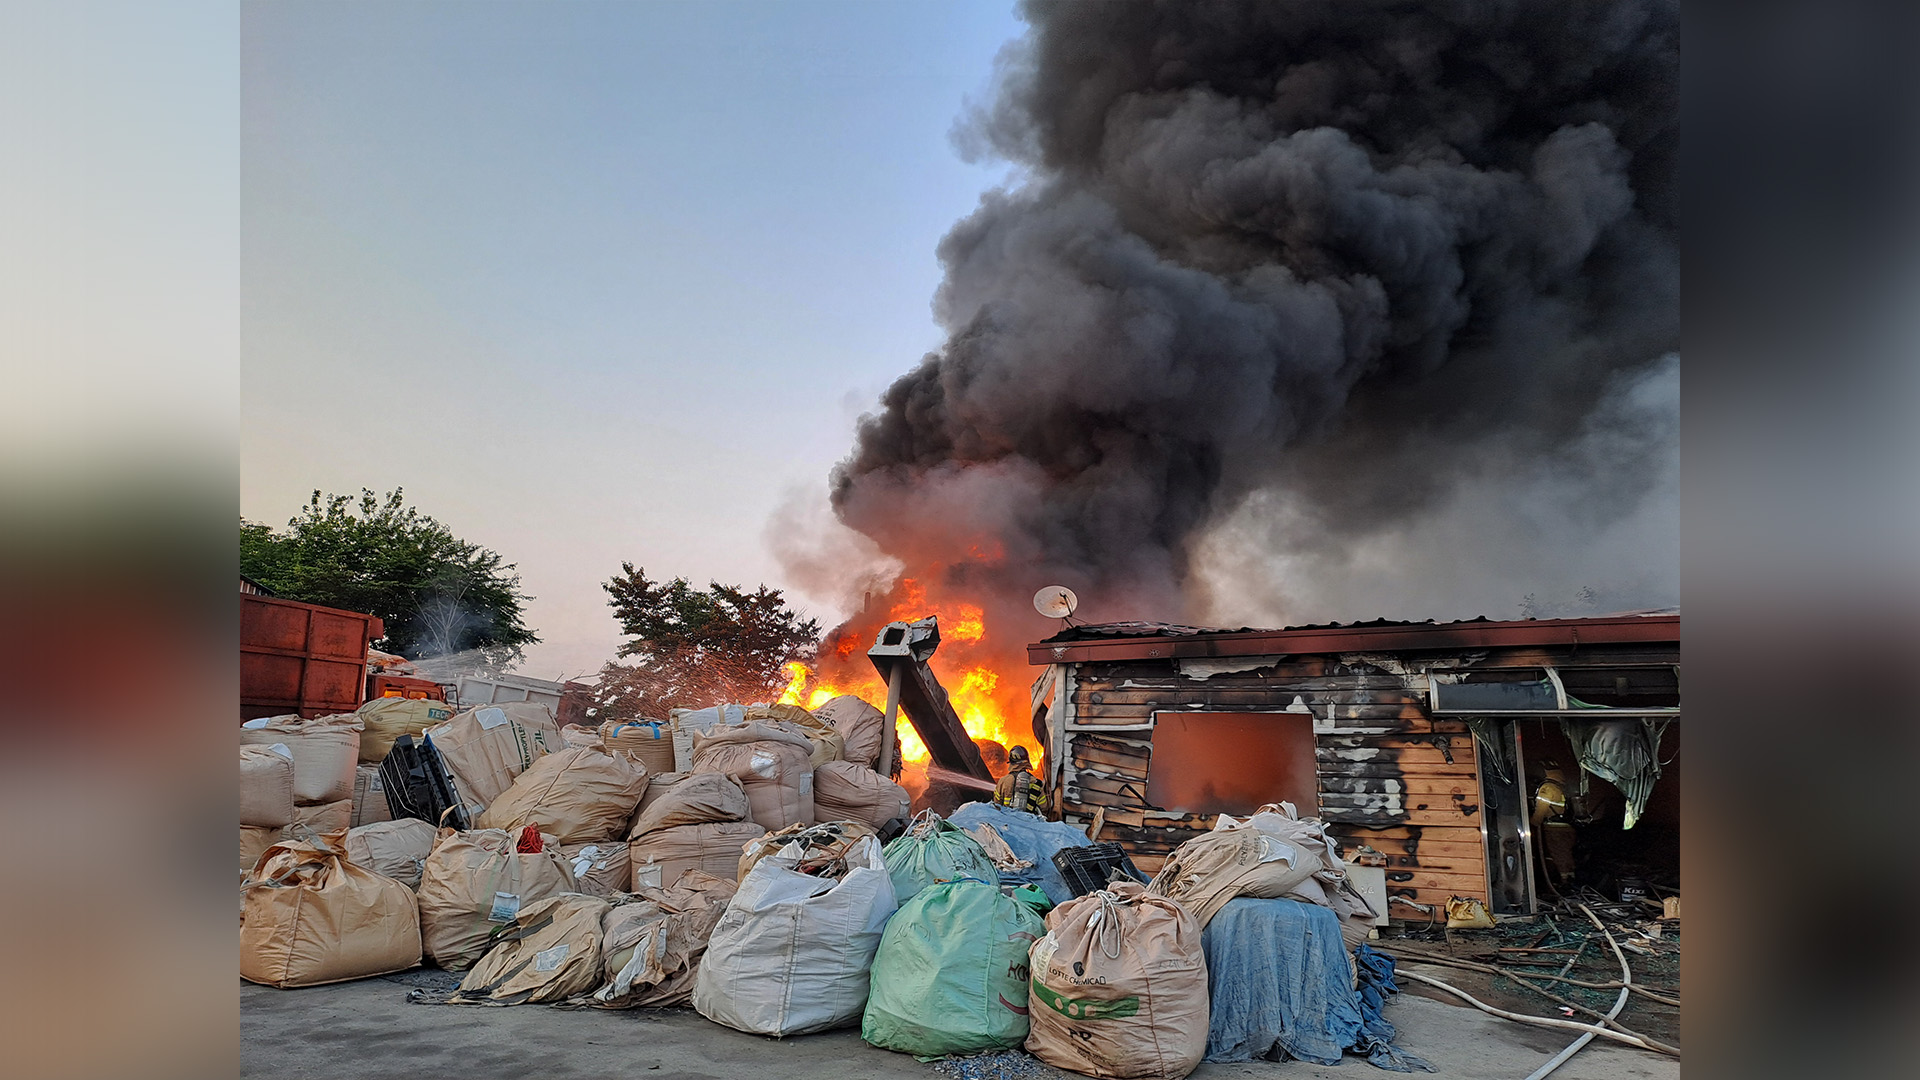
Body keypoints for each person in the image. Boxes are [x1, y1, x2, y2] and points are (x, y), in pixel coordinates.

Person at [993, 745, 1045, 815]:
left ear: (1011, 761)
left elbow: (996, 804)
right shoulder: (1035, 782)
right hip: (1028, 822)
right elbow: (1044, 806)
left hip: (1007, 822)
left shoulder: (1003, 781)